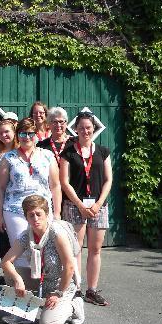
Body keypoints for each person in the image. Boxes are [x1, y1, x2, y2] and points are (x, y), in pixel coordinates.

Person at [1, 195, 84, 324]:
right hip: (41, 281)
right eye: (31, 215)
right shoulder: (26, 235)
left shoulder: (56, 233)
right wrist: (18, 279)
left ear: (46, 214)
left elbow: (69, 266)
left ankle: (74, 305)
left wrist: (58, 294)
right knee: (11, 275)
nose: (35, 219)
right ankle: (23, 312)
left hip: (61, 284)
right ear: (26, 217)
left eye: (38, 214)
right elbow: (6, 262)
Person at [0, 117, 62, 275]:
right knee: (22, 251)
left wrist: (57, 212)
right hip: (15, 210)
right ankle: (23, 285)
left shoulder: (47, 156)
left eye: (31, 133)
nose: (27, 137)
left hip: (43, 210)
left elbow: (55, 185)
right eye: (23, 134)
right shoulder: (8, 158)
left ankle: (44, 284)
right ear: (17, 135)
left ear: (36, 135)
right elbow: (0, 188)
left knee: (46, 247)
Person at [60, 110, 113, 306]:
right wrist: (80, 204)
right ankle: (76, 288)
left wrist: (98, 203)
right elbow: (64, 182)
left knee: (95, 249)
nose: (85, 131)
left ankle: (92, 290)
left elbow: (108, 180)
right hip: (75, 206)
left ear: (93, 129)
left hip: (98, 206)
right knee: (76, 249)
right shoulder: (68, 153)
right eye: (81, 128)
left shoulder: (103, 152)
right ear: (76, 129)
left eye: (88, 127)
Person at [0, 117, 18, 258]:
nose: (3, 135)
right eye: (0, 133)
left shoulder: (20, 152)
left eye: (6, 132)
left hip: (16, 199)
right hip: (1, 198)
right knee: (4, 236)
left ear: (14, 133)